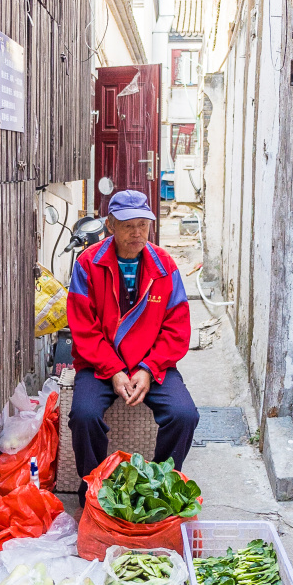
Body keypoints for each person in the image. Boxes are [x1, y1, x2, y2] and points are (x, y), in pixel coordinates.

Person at [66, 189, 199, 505]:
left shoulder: (164, 266)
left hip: (150, 364)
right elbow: (83, 329)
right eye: (128, 225)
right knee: (83, 416)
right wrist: (112, 370)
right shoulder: (88, 264)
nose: (138, 232)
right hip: (99, 366)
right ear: (110, 225)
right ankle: (94, 493)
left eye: (143, 224)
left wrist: (150, 369)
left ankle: (162, 487)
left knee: (185, 415)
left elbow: (177, 330)